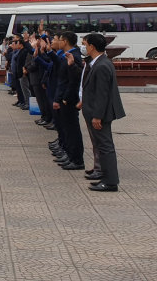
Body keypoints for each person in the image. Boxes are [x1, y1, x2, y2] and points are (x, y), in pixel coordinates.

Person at [81, 32, 126, 192]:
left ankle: (110, 181)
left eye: (86, 45)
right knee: (102, 146)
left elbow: (102, 93)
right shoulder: (100, 63)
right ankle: (106, 177)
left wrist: (97, 116)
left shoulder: (102, 66)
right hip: (96, 111)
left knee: (105, 146)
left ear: (92, 47)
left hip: (100, 113)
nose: (84, 47)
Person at [51, 32, 85, 171]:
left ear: (65, 42)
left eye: (58, 39)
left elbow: (73, 82)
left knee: (72, 130)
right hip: (64, 96)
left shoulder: (74, 56)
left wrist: (64, 98)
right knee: (67, 129)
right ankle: (70, 156)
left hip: (69, 99)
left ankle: (76, 159)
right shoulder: (67, 55)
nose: (56, 42)